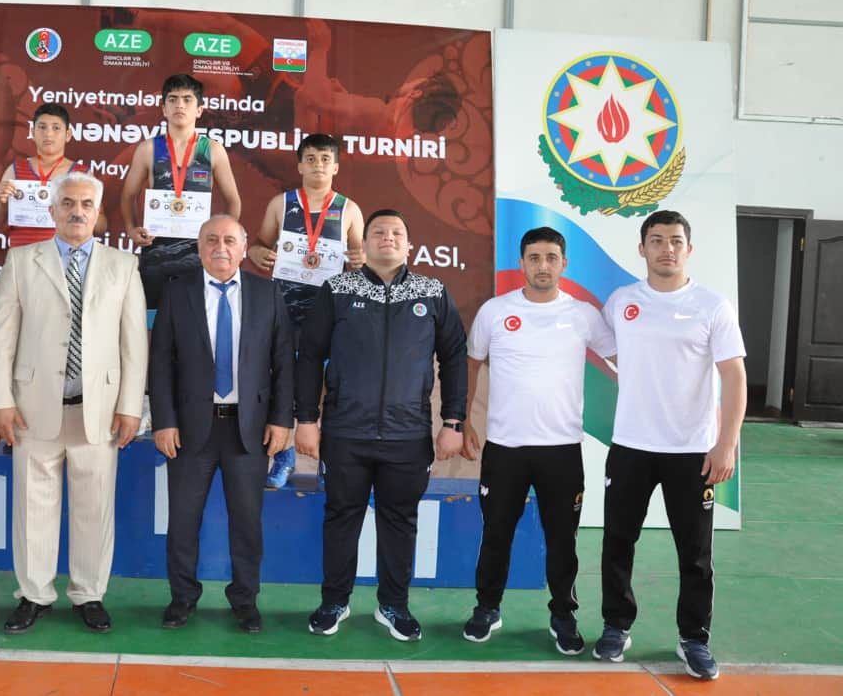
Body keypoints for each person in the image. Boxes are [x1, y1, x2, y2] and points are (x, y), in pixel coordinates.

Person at [0, 171, 148, 634]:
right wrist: (0, 401)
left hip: (99, 410)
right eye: (69, 204)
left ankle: (89, 594)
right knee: (32, 507)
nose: (77, 212)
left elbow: (134, 342)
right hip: (33, 408)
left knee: (94, 508)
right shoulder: (21, 260)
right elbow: (0, 337)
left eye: (86, 205)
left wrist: (130, 406)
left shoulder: (123, 265)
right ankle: (34, 594)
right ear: (52, 210)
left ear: (98, 213)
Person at [295, 209, 467, 642]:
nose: (387, 238)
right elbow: (310, 356)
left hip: (407, 435)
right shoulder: (337, 290)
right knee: (341, 518)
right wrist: (307, 419)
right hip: (345, 433)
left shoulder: (432, 292)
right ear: (364, 243)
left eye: (396, 232)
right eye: (378, 232)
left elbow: (454, 358)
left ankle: (393, 605)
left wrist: (453, 420)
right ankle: (334, 602)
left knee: (400, 521)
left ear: (409, 244)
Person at [593, 210, 746, 681]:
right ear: (642, 249)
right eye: (657, 240)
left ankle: (693, 638)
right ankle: (617, 626)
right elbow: (615, 351)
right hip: (631, 446)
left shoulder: (712, 305)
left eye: (676, 240)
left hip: (692, 451)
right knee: (618, 541)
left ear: (689, 249)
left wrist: (726, 444)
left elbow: (734, 376)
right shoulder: (622, 301)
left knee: (695, 553)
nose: (667, 249)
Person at [459, 227, 616, 654]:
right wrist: (466, 421)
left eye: (550, 257)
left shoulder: (584, 315)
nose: (542, 265)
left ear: (564, 263)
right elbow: (471, 364)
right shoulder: (495, 311)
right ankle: (487, 607)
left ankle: (563, 614)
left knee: (563, 539)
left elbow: (624, 360)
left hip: (561, 449)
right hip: (504, 447)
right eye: (534, 258)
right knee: (496, 533)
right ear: (522, 264)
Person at [150, 215, 294, 633]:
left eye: (230, 240)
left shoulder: (267, 293)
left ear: (244, 248)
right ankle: (182, 598)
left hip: (248, 430)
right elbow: (160, 362)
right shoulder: (177, 292)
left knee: (247, 522)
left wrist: (281, 420)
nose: (221, 247)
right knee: (183, 521)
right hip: (190, 429)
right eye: (211, 239)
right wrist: (164, 421)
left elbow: (283, 362)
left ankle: (245, 600)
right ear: (198, 248)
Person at [246, 133, 364, 489]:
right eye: (310, 159)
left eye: (325, 159)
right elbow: (259, 245)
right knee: (281, 380)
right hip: (284, 309)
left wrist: (361, 260)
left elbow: (361, 260)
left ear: (336, 167)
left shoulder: (349, 209)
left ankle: (329, 459)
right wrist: (257, 254)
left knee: (330, 386)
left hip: (328, 313)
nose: (318, 166)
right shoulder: (281, 204)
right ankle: (284, 456)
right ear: (299, 165)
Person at [120, 73, 242, 308]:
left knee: (194, 319)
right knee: (153, 319)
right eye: (173, 99)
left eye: (187, 99)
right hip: (156, 252)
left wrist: (220, 239)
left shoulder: (213, 150)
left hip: (198, 254)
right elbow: (128, 196)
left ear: (199, 110)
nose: (180, 105)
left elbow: (233, 201)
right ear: (164, 109)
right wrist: (131, 229)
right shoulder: (148, 149)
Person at [0, 101, 107, 247]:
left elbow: (102, 227)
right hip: (23, 255)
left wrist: (81, 210)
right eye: (42, 127)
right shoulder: (16, 170)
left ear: (68, 135)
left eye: (56, 128)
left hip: (65, 256)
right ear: (32, 133)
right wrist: (1, 202)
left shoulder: (82, 175)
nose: (48, 134)